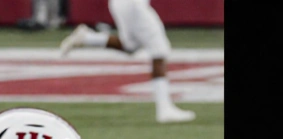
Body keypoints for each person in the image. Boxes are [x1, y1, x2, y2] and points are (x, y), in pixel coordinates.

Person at [57, 0, 195, 123]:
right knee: (159, 50)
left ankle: (86, 38)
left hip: (122, 3)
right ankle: (164, 109)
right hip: (133, 4)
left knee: (130, 45)